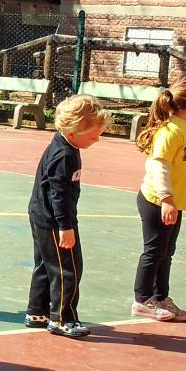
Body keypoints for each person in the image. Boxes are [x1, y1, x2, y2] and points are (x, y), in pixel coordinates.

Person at [25, 94, 108, 339]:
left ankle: (37, 312)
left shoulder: (64, 145)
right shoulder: (64, 155)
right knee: (68, 268)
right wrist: (65, 226)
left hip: (41, 214)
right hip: (54, 219)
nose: (97, 139)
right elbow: (58, 193)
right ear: (73, 131)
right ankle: (63, 318)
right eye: (93, 135)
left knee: (45, 265)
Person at [133, 77, 186, 322]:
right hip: (156, 201)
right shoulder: (170, 131)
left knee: (167, 252)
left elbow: (182, 172)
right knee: (154, 251)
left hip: (173, 203)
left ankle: (160, 297)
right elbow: (160, 166)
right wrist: (167, 199)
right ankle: (142, 300)